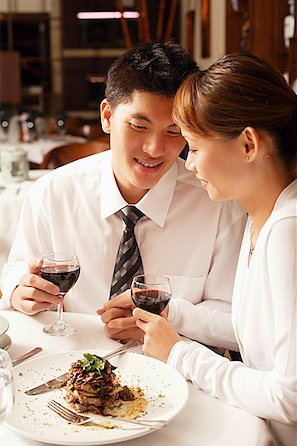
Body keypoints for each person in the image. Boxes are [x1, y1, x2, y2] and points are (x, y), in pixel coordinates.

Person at [0, 42, 246, 353]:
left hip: (178, 373)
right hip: (66, 363)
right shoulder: (53, 193)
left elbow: (234, 320)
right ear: (107, 116)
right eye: (139, 126)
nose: (155, 149)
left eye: (174, 132)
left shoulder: (218, 203)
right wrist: (18, 291)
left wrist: (171, 319)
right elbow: (17, 271)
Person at [130, 53, 297, 446]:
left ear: (248, 144)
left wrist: (180, 355)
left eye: (194, 148)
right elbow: (261, 336)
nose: (188, 165)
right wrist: (174, 315)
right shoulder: (260, 215)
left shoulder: (288, 231)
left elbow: (290, 396)